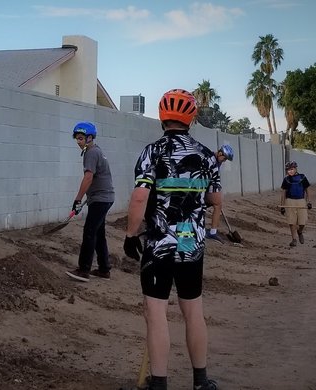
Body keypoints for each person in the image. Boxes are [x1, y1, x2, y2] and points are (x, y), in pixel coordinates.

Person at [123, 89, 221, 390]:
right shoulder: (206, 155)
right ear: (191, 118)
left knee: (156, 313)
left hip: (160, 241)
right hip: (191, 241)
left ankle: (160, 384)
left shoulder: (152, 151)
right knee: (193, 311)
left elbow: (140, 197)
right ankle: (201, 382)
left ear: (162, 117)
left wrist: (130, 235)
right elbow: (216, 199)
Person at [64, 122, 116, 282]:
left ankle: (83, 270)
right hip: (103, 198)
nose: (78, 142)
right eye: (77, 139)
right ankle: (104, 269)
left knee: (89, 232)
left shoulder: (91, 153)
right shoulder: (95, 150)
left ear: (89, 138)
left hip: (101, 199)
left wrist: (78, 199)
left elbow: (88, 177)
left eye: (81, 138)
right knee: (99, 234)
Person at [205, 145, 234, 243]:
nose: (225, 160)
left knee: (213, 204)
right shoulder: (210, 159)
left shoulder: (217, 161)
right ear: (220, 153)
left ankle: (209, 231)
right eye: (225, 158)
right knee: (217, 205)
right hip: (202, 187)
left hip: (208, 186)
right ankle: (212, 233)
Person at [279, 161, 312, 247]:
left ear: (296, 168)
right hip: (289, 201)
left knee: (302, 222)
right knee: (291, 221)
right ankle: (294, 239)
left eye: (292, 169)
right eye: (288, 170)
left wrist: (309, 201)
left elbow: (307, 190)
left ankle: (300, 231)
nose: (290, 171)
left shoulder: (302, 177)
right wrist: (282, 205)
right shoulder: (286, 179)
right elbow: (283, 193)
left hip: (301, 201)